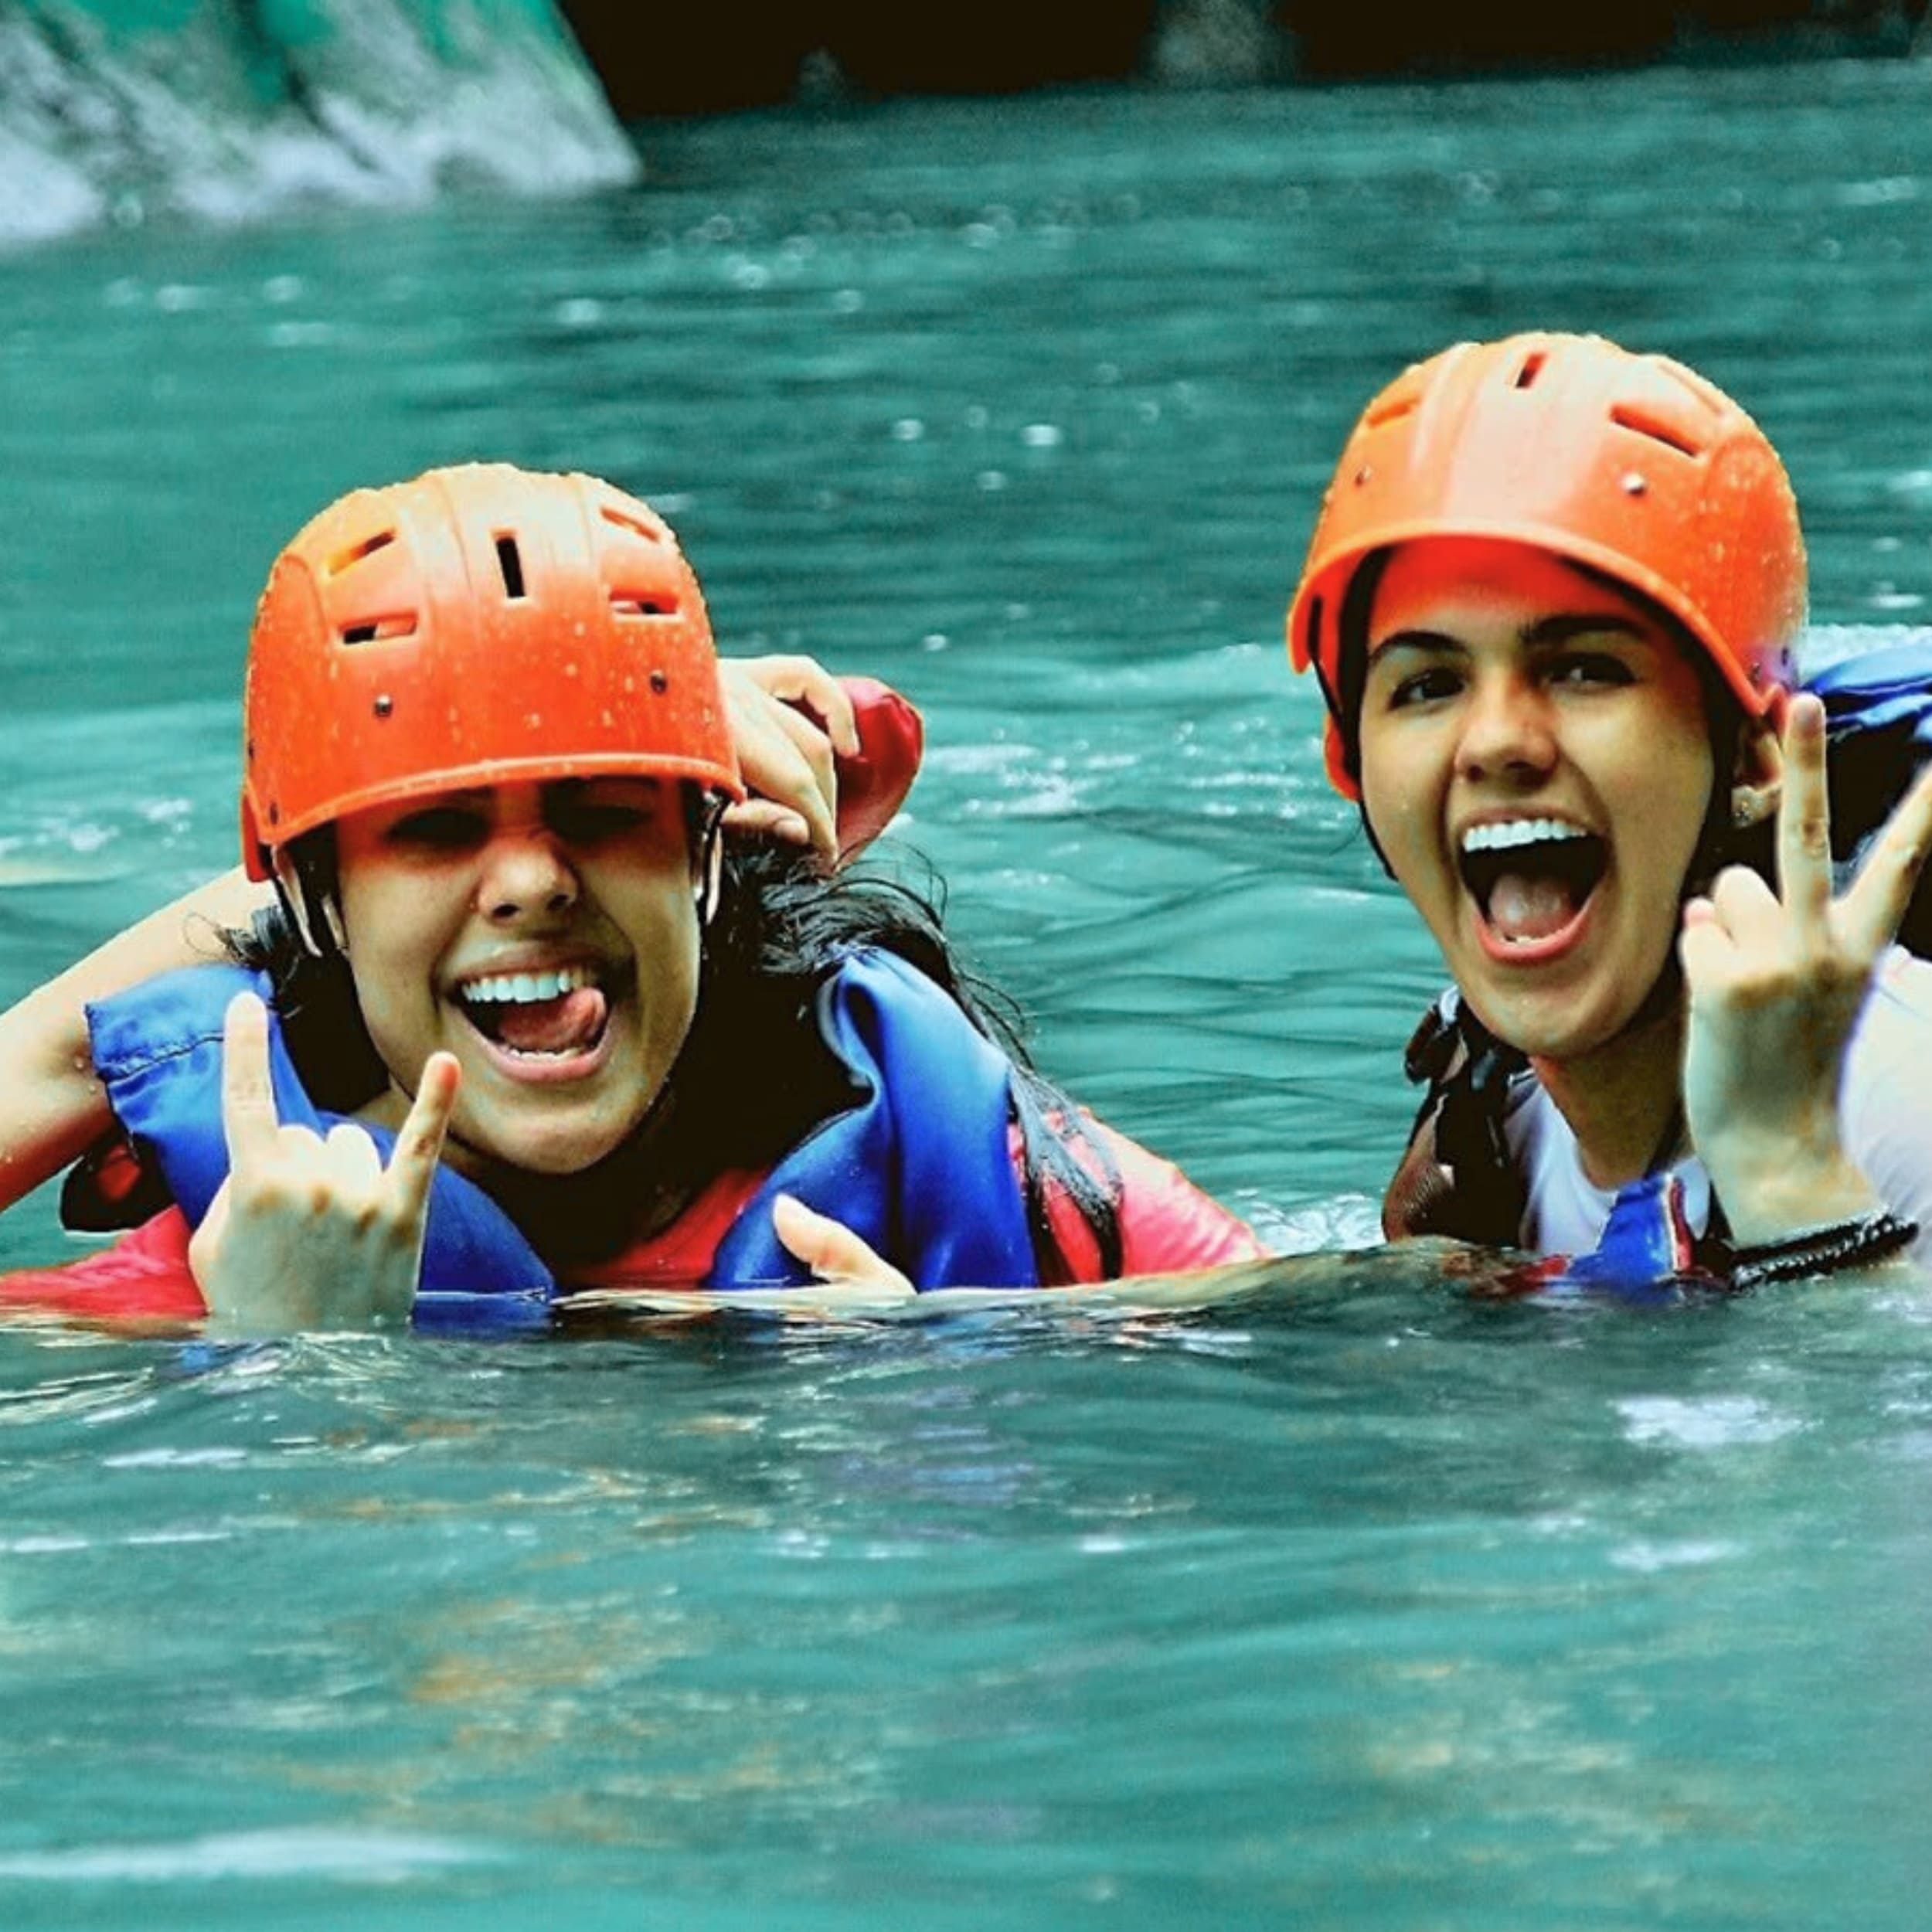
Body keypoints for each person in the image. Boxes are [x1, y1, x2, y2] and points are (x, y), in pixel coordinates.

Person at [0, 463, 1259, 1332]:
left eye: (605, 809)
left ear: (707, 849)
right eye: (433, 829)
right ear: (313, 898)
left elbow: (1327, 1360)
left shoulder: (986, 1189)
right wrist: (295, 1369)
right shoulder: (235, 1270)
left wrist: (934, 1393)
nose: (534, 881)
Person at [1284, 329, 1932, 1283]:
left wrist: (1792, 1178)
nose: (1496, 740)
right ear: (1348, 761)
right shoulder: (1489, 1137)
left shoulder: (1899, 1100)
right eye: (1427, 685)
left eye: (1585, 669)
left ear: (1753, 755)